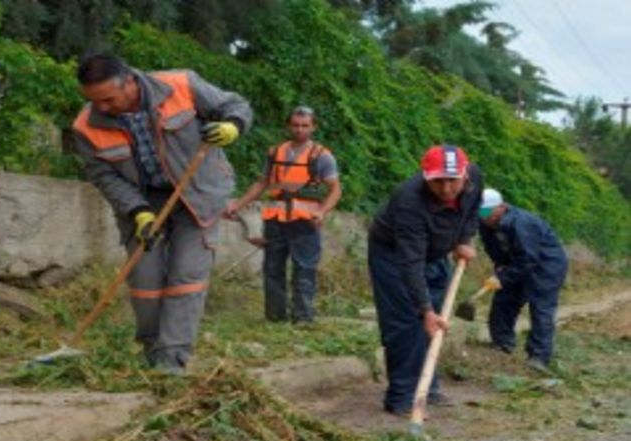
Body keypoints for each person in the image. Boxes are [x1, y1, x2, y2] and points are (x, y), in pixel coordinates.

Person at [72, 54, 253, 374]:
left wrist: (232, 126)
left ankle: (172, 360)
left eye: (107, 99)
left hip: (197, 192)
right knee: (145, 278)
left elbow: (235, 105)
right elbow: (104, 176)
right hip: (143, 201)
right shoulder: (86, 126)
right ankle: (152, 349)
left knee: (186, 275)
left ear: (129, 82)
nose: (101, 107)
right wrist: (138, 211)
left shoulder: (180, 84)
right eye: (93, 101)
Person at [368, 145, 483, 416]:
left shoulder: (475, 178)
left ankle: (427, 386)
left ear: (465, 175)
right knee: (407, 320)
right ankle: (401, 398)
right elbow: (410, 263)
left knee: (436, 317)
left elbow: (472, 209)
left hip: (436, 250)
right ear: (425, 176)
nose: (445, 189)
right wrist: (424, 310)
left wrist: (464, 239)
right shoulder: (409, 201)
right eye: (437, 181)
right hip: (395, 256)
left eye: (451, 181)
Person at [224, 106, 341, 324]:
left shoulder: (322, 156)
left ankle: (303, 318)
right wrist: (238, 204)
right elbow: (262, 183)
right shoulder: (275, 152)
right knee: (272, 269)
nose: (299, 130)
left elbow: (335, 189)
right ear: (288, 126)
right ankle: (275, 318)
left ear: (313, 127)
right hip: (276, 218)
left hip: (306, 221)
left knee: (304, 269)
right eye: (295, 125)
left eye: (305, 125)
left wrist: (323, 211)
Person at [478, 188, 568, 372]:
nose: (484, 216)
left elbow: (528, 259)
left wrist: (504, 277)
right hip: (517, 264)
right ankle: (502, 344)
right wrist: (500, 267)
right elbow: (494, 250)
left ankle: (539, 357)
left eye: (487, 211)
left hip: (546, 265)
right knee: (503, 301)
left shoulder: (522, 223)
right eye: (480, 212)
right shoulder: (485, 225)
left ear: (501, 207)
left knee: (540, 307)